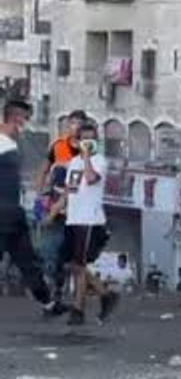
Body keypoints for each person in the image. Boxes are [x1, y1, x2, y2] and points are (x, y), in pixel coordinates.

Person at [0, 99, 65, 318]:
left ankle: (48, 303)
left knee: (28, 260)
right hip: (3, 214)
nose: (26, 126)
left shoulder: (11, 144)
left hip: (14, 214)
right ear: (16, 119)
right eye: (25, 120)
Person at [60, 122, 118, 326]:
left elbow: (91, 178)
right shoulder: (73, 162)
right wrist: (56, 209)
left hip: (89, 220)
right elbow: (71, 188)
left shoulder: (98, 161)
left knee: (80, 264)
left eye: (91, 139)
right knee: (71, 264)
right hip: (73, 218)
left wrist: (86, 157)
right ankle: (105, 294)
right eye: (84, 139)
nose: (87, 142)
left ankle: (78, 310)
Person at [35, 110, 86, 303]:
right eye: (73, 123)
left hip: (77, 208)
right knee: (52, 249)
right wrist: (40, 195)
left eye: (80, 123)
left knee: (73, 253)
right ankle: (56, 286)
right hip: (56, 206)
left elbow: (77, 185)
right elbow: (43, 170)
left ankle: (69, 288)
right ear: (68, 125)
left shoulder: (88, 150)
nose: (77, 127)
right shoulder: (58, 146)